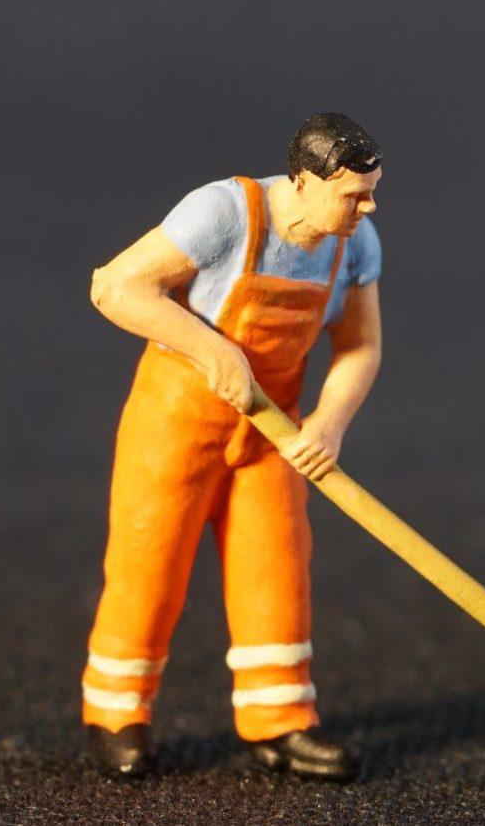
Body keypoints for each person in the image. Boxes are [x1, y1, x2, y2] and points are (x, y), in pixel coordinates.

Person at [79, 112, 384, 782]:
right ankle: (117, 713)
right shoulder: (224, 214)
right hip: (175, 424)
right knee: (149, 564)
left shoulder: (352, 244)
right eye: (354, 194)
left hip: (272, 435)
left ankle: (279, 721)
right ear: (304, 182)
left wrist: (328, 423)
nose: (367, 207)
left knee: (276, 569)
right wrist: (209, 344)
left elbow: (360, 345)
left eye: (371, 192)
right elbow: (115, 285)